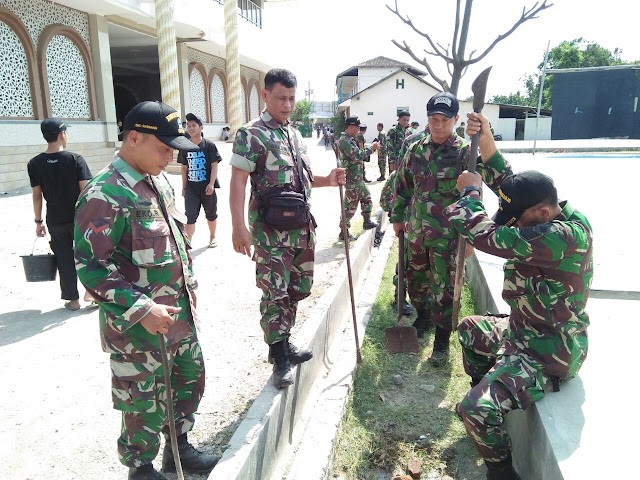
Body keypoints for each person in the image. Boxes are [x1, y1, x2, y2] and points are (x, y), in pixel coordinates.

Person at [74, 101, 219, 480]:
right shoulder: (104, 193)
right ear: (134, 137)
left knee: (188, 381)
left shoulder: (159, 181)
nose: (171, 156)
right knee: (142, 403)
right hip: (137, 330)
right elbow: (91, 266)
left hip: (178, 318)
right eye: (164, 147)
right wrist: (142, 308)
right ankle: (141, 468)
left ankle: (179, 450)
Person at [445, 112, 593, 480]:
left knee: (475, 409)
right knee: (470, 329)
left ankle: (501, 471)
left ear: (544, 212)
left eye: (520, 219)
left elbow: (484, 235)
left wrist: (471, 193)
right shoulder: (542, 208)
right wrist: (485, 136)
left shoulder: (562, 237)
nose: (513, 222)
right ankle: (488, 391)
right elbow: (506, 180)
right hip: (523, 329)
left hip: (548, 352)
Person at [229, 68, 345, 389]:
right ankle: (278, 355)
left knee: (297, 288)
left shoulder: (293, 134)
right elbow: (238, 181)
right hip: (270, 232)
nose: (288, 104)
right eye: (281, 97)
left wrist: (328, 179)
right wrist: (238, 226)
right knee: (274, 292)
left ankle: (285, 341)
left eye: (292, 98)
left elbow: (302, 180)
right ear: (265, 95)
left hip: (301, 228)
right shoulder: (251, 134)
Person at [390, 92, 470, 365]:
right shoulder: (415, 149)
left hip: (448, 236)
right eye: (433, 119)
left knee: (445, 287)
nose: (438, 125)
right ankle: (423, 317)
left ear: (455, 120)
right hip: (416, 232)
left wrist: (470, 236)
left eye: (444, 120)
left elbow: (474, 198)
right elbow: (402, 186)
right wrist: (397, 217)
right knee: (417, 280)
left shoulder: (465, 154)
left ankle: (441, 342)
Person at [27, 118, 93, 311]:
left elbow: (37, 196)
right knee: (89, 255)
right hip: (79, 218)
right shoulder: (75, 159)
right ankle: (93, 293)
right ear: (62, 134)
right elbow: (85, 191)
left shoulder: (35, 163)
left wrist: (38, 221)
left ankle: (73, 300)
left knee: (64, 258)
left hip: (54, 219)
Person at [177, 112, 222, 247]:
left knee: (211, 214)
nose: (190, 128)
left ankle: (213, 237)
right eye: (188, 126)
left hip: (207, 187)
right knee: (190, 216)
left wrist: (211, 184)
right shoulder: (184, 146)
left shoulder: (209, 145)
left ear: (201, 127)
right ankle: (187, 243)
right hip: (191, 188)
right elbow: (184, 168)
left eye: (194, 125)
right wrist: (184, 187)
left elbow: (214, 165)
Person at [337, 116, 380, 241]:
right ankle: (343, 232)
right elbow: (357, 155)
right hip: (352, 179)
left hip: (357, 178)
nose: (358, 130)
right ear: (350, 127)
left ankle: (367, 221)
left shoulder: (350, 139)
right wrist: (371, 148)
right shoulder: (344, 141)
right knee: (350, 206)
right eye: (357, 127)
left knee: (366, 198)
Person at [379, 170, 412, 316]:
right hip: (408, 230)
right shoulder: (398, 175)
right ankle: (400, 300)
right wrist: (398, 216)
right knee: (404, 264)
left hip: (431, 231)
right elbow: (384, 200)